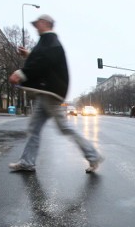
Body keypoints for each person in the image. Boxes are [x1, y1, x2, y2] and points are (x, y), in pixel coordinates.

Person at [8, 14, 102, 173]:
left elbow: (43, 62)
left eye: (37, 24)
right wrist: (29, 55)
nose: (36, 27)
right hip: (45, 92)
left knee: (64, 127)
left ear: (45, 23)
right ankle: (27, 161)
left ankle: (93, 156)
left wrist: (21, 74)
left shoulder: (50, 41)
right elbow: (43, 58)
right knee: (34, 128)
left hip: (50, 93)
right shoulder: (48, 42)